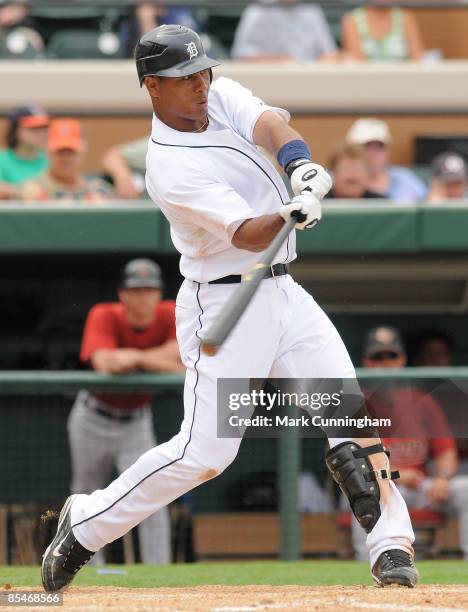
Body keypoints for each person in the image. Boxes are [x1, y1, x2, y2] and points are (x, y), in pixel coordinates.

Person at [42, 24, 419, 591]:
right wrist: (293, 212)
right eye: (183, 78)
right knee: (204, 453)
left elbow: (270, 123)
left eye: (202, 71)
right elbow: (245, 233)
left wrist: (298, 165)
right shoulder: (168, 165)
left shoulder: (217, 93)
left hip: (284, 291)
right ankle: (86, 522)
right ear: (151, 87)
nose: (200, 84)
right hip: (225, 300)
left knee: (349, 415)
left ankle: (391, 546)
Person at [68, 258, 184, 564]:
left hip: (136, 421)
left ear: (159, 293)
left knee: (150, 492)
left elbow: (183, 367)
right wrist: (155, 359)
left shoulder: (171, 312)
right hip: (93, 416)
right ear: (123, 294)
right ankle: (88, 569)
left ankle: (159, 573)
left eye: (149, 290)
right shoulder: (104, 314)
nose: (143, 296)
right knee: (86, 492)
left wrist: (132, 357)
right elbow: (105, 363)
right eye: (136, 290)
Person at [352, 326, 468, 561]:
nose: (386, 363)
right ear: (366, 362)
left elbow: (446, 452)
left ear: (402, 359)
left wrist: (442, 479)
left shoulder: (421, 401)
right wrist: (395, 474)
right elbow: (350, 463)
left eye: (391, 356)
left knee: (465, 488)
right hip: (382, 487)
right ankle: (367, 565)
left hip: (422, 488)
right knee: (365, 493)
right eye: (378, 357)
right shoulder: (357, 404)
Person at [20, 119, 113, 203]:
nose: (66, 158)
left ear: (82, 152)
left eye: (71, 151)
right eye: (59, 151)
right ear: (47, 152)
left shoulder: (98, 189)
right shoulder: (32, 189)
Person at [346, 118, 427, 203]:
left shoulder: (405, 179)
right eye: (366, 147)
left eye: (380, 147)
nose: (374, 154)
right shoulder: (336, 182)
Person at [231, 0, 338, 62]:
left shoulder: (311, 10)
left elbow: (328, 52)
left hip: (309, 81)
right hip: (270, 82)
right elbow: (240, 53)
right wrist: (278, 60)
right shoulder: (259, 10)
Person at [341, 2, 424, 62]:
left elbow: (418, 59)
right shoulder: (351, 20)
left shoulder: (405, 17)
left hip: (402, 81)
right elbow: (357, 62)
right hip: (365, 82)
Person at [0, 105, 49, 199]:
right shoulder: (2, 160)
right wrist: (20, 191)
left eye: (44, 127)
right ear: (15, 130)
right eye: (33, 128)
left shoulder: (52, 159)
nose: (40, 132)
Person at [119, 1, 199, 58]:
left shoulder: (181, 18)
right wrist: (147, 23)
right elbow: (140, 60)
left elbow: (185, 59)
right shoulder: (132, 20)